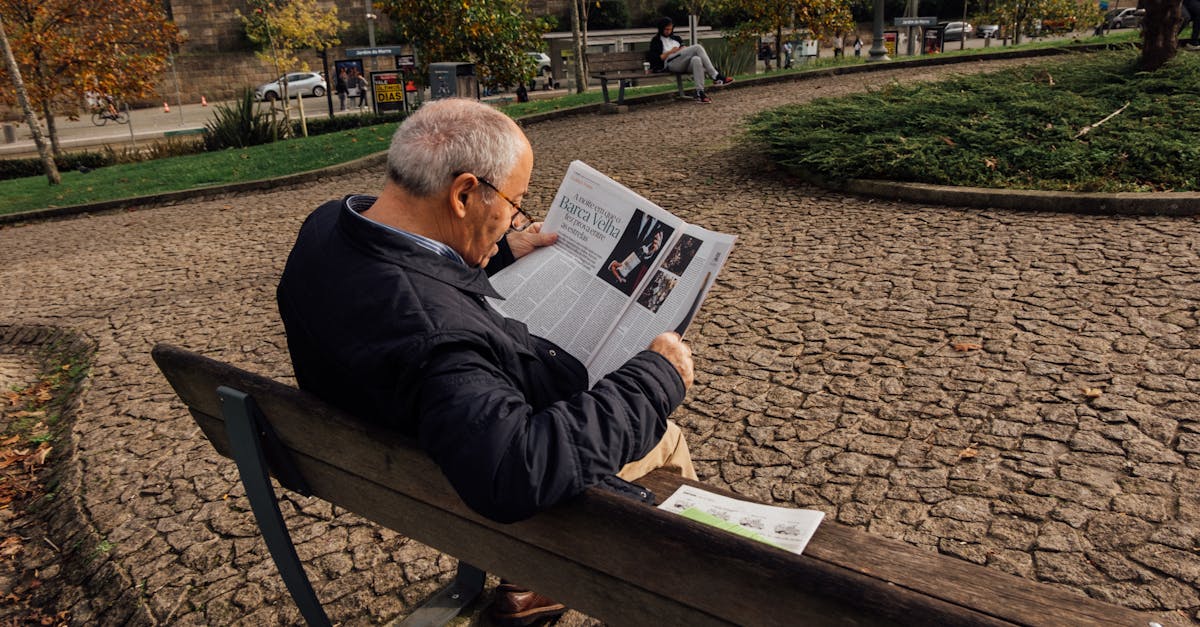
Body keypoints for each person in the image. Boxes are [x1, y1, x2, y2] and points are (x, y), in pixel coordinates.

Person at [276, 98, 698, 626]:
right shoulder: (436, 336)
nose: (515, 217)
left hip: (387, 454)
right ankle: (676, 598)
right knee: (665, 438)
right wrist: (653, 379)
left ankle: (538, 583)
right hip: (472, 487)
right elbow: (514, 469)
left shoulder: (325, 229)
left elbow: (407, 276)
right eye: (514, 203)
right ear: (464, 194)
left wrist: (496, 250)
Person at [647, 16, 733, 103]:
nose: (668, 31)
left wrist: (683, 49)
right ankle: (716, 76)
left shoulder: (677, 38)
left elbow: (685, 51)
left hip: (682, 62)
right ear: (661, 29)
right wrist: (671, 52)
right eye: (666, 29)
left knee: (696, 59)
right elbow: (656, 59)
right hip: (670, 63)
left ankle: (700, 93)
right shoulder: (656, 40)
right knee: (697, 47)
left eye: (670, 29)